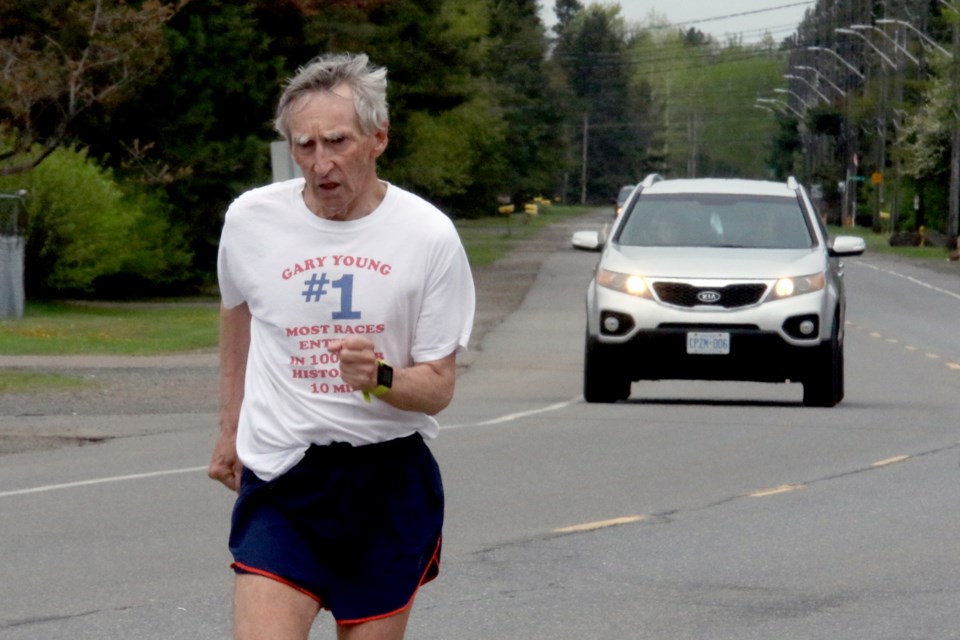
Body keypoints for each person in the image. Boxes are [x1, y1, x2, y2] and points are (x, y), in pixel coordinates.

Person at [208, 52, 475, 640]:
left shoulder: (428, 235)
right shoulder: (251, 220)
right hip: (285, 475)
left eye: (337, 142)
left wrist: (380, 376)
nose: (320, 164)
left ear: (378, 138)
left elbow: (438, 387)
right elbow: (238, 313)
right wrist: (230, 429)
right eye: (304, 146)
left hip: (387, 483)